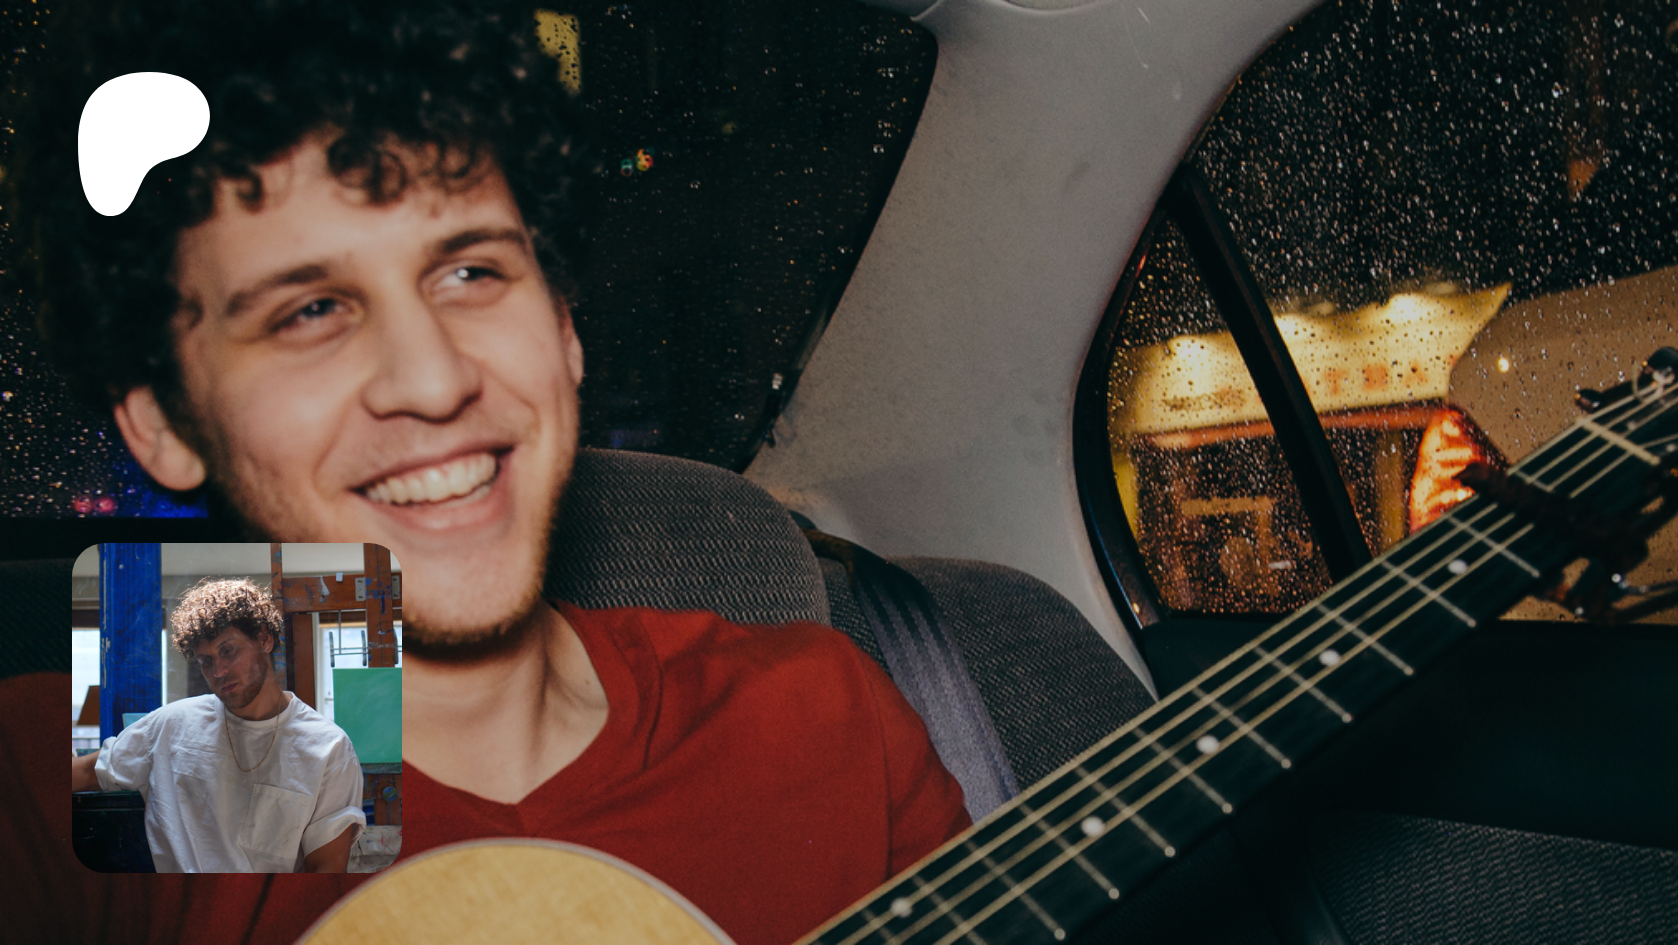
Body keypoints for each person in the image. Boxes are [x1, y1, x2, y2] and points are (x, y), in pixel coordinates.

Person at [10, 0, 970, 942]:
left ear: (563, 327)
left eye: (471, 272)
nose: (435, 379)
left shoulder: (824, 717)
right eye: (309, 310)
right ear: (167, 421)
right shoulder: (60, 790)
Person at [71, 578, 365, 873]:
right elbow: (81, 773)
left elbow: (326, 871)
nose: (219, 671)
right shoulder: (170, 726)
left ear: (264, 639)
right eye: (205, 661)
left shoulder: (328, 748)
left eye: (228, 650)